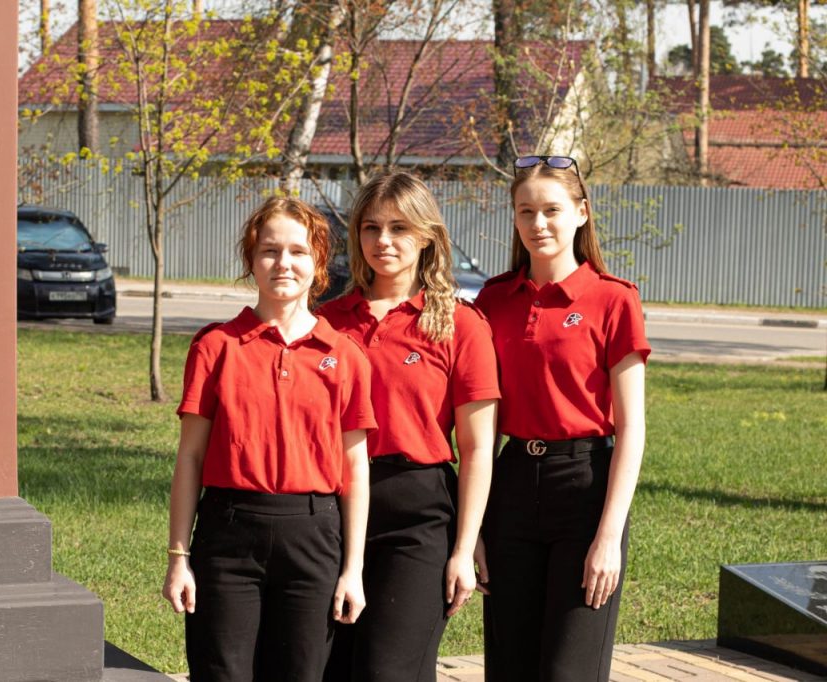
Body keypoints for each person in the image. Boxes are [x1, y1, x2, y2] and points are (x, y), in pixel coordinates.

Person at [162, 196, 375, 682]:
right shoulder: (215, 347)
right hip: (229, 534)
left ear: (319, 261)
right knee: (221, 672)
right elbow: (190, 457)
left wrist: (353, 569)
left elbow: (356, 467)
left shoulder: (345, 355)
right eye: (269, 251)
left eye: (298, 251)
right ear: (251, 260)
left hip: (313, 538)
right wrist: (178, 557)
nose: (283, 263)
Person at [473, 155, 650, 681]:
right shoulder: (493, 300)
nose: (538, 223)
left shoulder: (614, 299)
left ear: (581, 213)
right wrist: (474, 527)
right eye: (525, 211)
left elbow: (632, 429)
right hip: (511, 486)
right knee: (510, 667)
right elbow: (481, 426)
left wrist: (608, 537)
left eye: (552, 210)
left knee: (567, 671)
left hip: (584, 488)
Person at [318, 171, 500, 681]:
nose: (384, 240)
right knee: (331, 668)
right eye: (371, 227)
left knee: (388, 669)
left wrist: (464, 547)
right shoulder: (326, 321)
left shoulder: (460, 325)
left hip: (416, 516)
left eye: (399, 228)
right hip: (331, 507)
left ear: (426, 236)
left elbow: (478, 447)